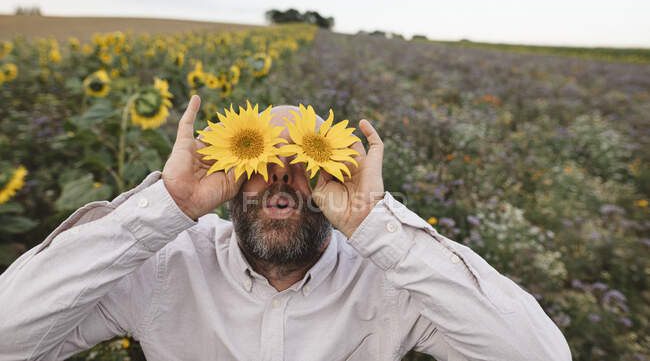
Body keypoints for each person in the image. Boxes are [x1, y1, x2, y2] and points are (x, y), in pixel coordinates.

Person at [0, 95, 572, 361]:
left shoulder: (390, 281)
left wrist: (379, 224)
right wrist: (167, 205)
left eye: (305, 166)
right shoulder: (166, 267)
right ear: (229, 172)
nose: (280, 180)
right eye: (258, 162)